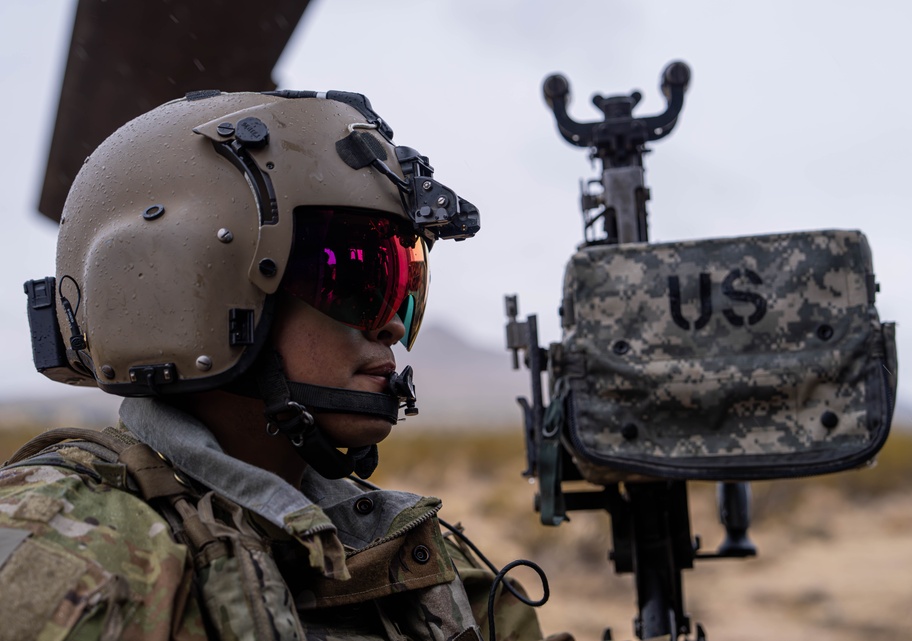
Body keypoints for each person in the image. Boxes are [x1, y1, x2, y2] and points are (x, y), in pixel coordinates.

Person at [0, 89, 547, 641]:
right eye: (358, 283)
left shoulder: (422, 559)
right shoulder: (65, 550)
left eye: (404, 288)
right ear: (193, 290)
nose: (392, 327)